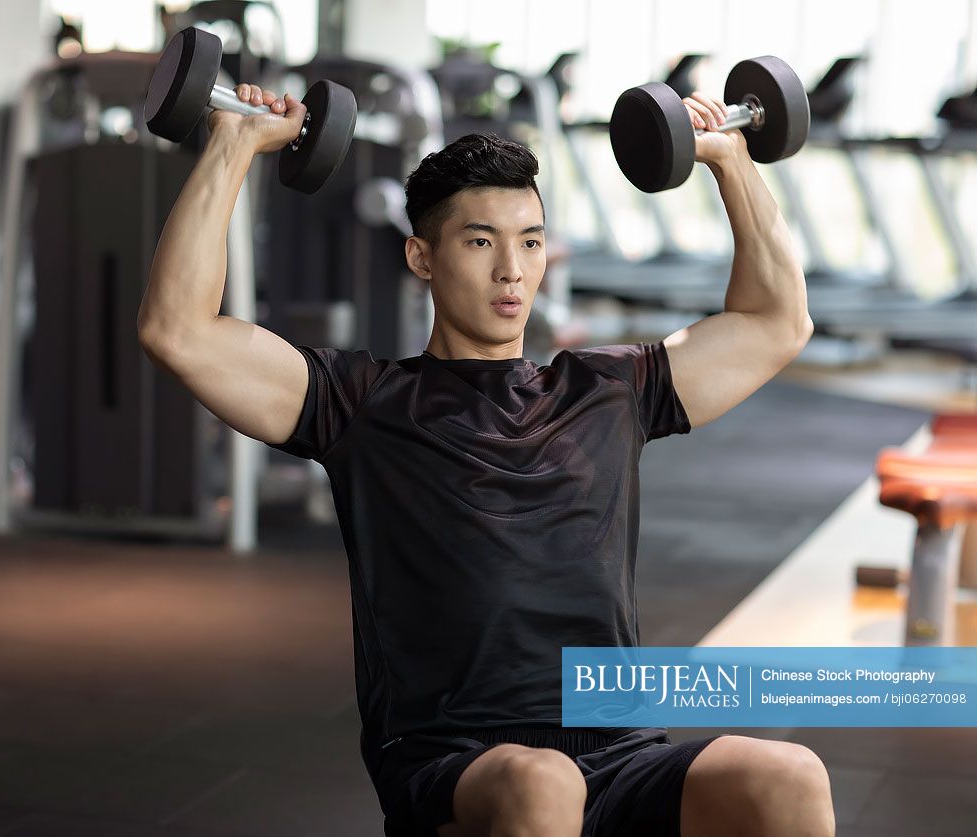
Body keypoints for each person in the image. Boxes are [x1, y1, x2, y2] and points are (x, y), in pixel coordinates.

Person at [138, 82, 836, 837]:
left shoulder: (609, 388)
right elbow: (178, 329)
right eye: (480, 241)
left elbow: (775, 322)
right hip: (454, 751)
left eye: (530, 241)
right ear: (421, 256)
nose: (512, 269)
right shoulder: (360, 402)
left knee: (786, 774)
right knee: (542, 783)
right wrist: (232, 145)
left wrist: (731, 160)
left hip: (616, 744)